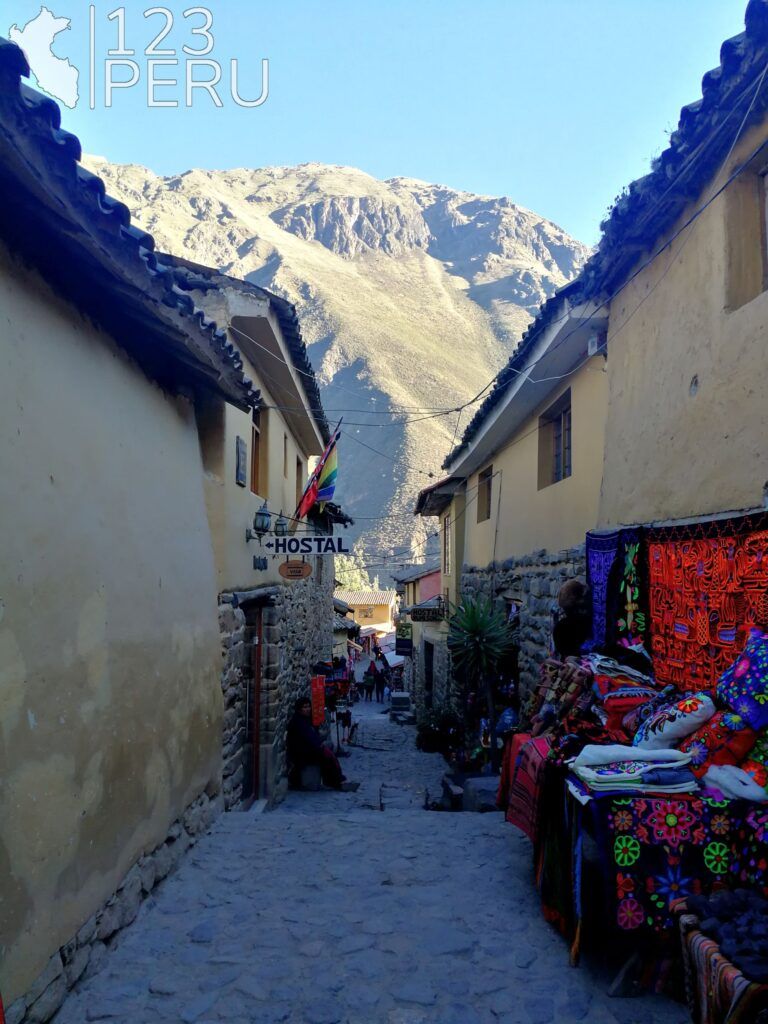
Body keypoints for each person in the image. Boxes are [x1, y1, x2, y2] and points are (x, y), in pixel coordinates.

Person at [286, 697, 345, 790]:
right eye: (305, 707)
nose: (307, 709)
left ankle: (334, 779)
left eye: (308, 706)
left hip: (307, 748)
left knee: (328, 751)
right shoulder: (298, 722)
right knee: (326, 754)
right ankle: (334, 780)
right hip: (301, 753)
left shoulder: (305, 720)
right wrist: (319, 745)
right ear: (299, 709)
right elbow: (308, 739)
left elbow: (312, 736)